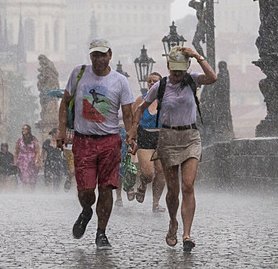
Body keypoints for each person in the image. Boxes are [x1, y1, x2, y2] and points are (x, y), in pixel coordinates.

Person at [129, 45, 216, 251]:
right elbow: (141, 108)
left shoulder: (192, 79)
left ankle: (186, 234)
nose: (177, 73)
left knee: (188, 185)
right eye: (173, 69)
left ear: (186, 67)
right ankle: (172, 222)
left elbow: (212, 77)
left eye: (181, 69)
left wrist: (197, 56)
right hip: (167, 138)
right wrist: (132, 131)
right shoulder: (160, 86)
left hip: (190, 137)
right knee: (173, 191)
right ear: (168, 66)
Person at [58, 38, 134, 250]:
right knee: (86, 191)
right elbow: (64, 102)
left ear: (110, 55)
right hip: (84, 141)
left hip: (109, 141)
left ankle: (101, 233)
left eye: (103, 55)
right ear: (90, 56)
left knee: (106, 188)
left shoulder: (120, 81)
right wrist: (61, 130)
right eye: (95, 55)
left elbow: (128, 112)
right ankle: (86, 210)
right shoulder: (79, 73)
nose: (99, 59)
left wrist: (131, 136)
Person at [133, 72, 166, 213]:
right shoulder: (141, 99)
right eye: (149, 81)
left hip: (162, 138)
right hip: (145, 136)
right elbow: (133, 119)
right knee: (148, 173)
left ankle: (156, 203)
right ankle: (143, 184)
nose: (152, 83)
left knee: (161, 173)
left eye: (155, 81)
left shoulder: (166, 100)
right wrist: (132, 136)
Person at [14, 124, 40, 190]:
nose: (23, 130)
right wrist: (15, 163)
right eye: (22, 129)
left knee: (32, 181)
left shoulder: (34, 140)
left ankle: (31, 194)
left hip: (32, 162)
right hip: (22, 162)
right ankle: (26, 196)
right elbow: (16, 152)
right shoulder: (20, 141)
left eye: (25, 129)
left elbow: (37, 152)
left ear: (29, 130)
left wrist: (36, 161)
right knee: (25, 180)